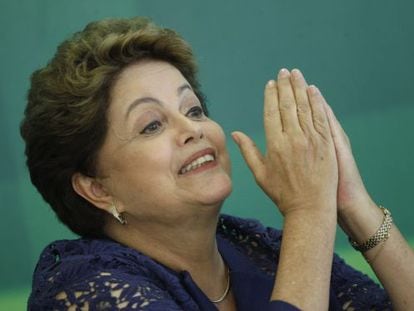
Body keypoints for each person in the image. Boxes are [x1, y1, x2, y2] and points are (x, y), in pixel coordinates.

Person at [21, 17, 414, 311]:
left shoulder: (259, 249)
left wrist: (350, 201)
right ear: (98, 188)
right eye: (152, 125)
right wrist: (309, 211)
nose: (192, 129)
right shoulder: (81, 289)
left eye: (193, 109)